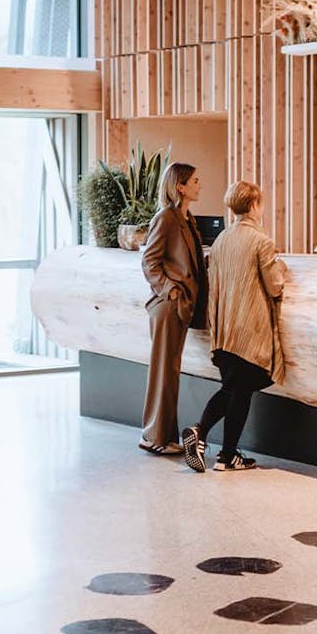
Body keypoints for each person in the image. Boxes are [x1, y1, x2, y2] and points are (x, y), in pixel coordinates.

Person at [182, 181, 287, 472]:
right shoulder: (261, 241)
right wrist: (282, 269)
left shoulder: (221, 239)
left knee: (237, 390)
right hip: (249, 329)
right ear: (253, 205)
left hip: (225, 327)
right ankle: (201, 431)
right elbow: (275, 286)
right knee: (237, 390)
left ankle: (227, 456)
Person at [138, 162, 207, 455]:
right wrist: (172, 290)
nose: (199, 185)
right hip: (168, 306)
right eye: (195, 180)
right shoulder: (166, 218)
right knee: (164, 372)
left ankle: (164, 437)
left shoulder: (187, 219)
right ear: (180, 186)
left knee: (170, 372)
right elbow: (149, 262)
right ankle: (154, 438)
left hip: (181, 305)